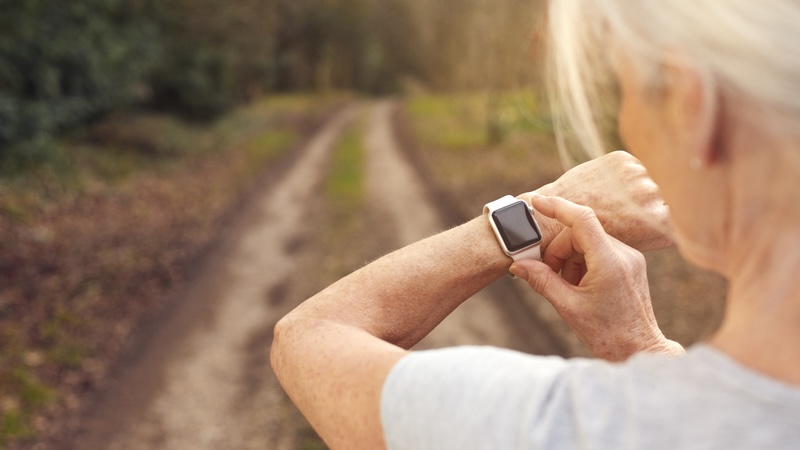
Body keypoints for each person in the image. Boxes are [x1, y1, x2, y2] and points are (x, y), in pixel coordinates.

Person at [271, 0, 800, 448]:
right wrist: (644, 351)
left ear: (692, 106)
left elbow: (308, 336)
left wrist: (536, 212)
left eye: (626, 89)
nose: (625, 123)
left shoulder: (546, 427)